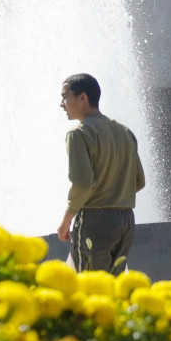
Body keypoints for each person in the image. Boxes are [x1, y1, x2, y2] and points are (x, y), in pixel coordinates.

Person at [56, 73, 146, 275]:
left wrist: (66, 220)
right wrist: (116, 191)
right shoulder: (125, 132)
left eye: (65, 96)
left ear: (82, 98)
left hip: (94, 220)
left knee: (89, 290)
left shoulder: (78, 133)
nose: (62, 104)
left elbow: (82, 184)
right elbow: (139, 181)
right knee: (112, 290)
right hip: (125, 221)